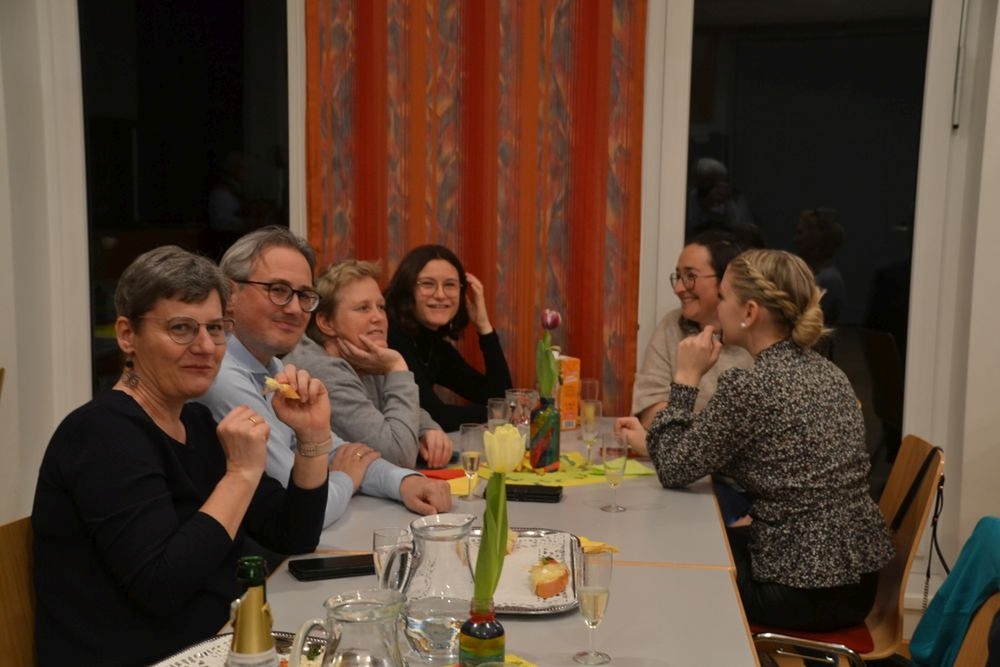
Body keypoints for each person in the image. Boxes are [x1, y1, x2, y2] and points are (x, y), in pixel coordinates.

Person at [32, 246, 329, 665]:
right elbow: (161, 585)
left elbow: (292, 535)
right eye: (182, 328)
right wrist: (240, 475)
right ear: (127, 335)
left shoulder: (198, 423)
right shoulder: (101, 433)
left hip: (218, 646)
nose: (206, 347)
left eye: (216, 328)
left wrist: (313, 437)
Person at [617, 249, 893, 632]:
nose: (718, 308)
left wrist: (686, 378)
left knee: (677, 555)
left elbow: (674, 468)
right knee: (710, 536)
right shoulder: (831, 374)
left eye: (723, 297)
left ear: (749, 312)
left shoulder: (750, 387)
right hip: (858, 584)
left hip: (800, 587)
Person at [198, 226, 452, 528]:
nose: (295, 308)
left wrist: (405, 482)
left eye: (304, 295)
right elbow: (302, 503)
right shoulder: (221, 374)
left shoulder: (272, 366)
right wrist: (346, 478)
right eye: (278, 290)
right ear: (230, 294)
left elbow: (336, 450)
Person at [283, 259, 453, 469]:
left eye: (381, 307)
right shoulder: (322, 370)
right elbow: (399, 456)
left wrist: (428, 430)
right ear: (326, 323)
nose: (378, 317)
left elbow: (404, 411)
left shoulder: (362, 354)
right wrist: (397, 367)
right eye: (363, 308)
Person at [384, 244, 513, 432]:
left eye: (450, 285)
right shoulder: (390, 335)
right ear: (407, 289)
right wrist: (499, 414)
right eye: (427, 284)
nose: (440, 295)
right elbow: (435, 416)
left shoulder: (433, 344)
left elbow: (499, 398)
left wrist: (484, 326)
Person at [631, 230, 753, 428]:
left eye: (690, 276)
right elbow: (649, 409)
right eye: (678, 276)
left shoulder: (752, 336)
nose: (678, 288)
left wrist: (686, 431)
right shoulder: (672, 326)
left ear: (725, 281)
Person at [684, 157, 761, 246]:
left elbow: (744, 229)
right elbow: (688, 227)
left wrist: (728, 202)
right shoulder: (687, 199)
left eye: (717, 180)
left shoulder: (735, 198)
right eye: (708, 182)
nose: (712, 187)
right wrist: (706, 204)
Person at [795, 207, 847, 327]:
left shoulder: (828, 281)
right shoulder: (818, 277)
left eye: (800, 233)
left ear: (816, 238)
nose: (796, 240)